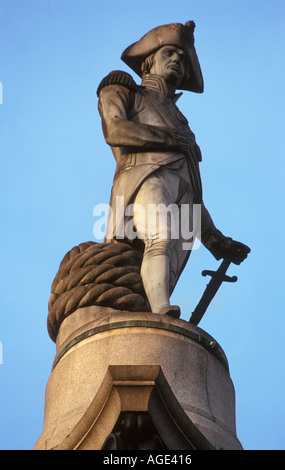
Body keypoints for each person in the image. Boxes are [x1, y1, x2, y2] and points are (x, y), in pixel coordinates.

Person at [97, 21, 250, 318]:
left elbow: (191, 188)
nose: (177, 61)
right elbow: (114, 129)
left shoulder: (182, 122)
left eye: (182, 59)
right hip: (145, 176)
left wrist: (214, 238)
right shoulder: (124, 89)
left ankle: (153, 314)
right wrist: (168, 139)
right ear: (148, 61)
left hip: (185, 201)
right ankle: (161, 309)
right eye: (169, 53)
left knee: (169, 265)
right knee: (160, 237)